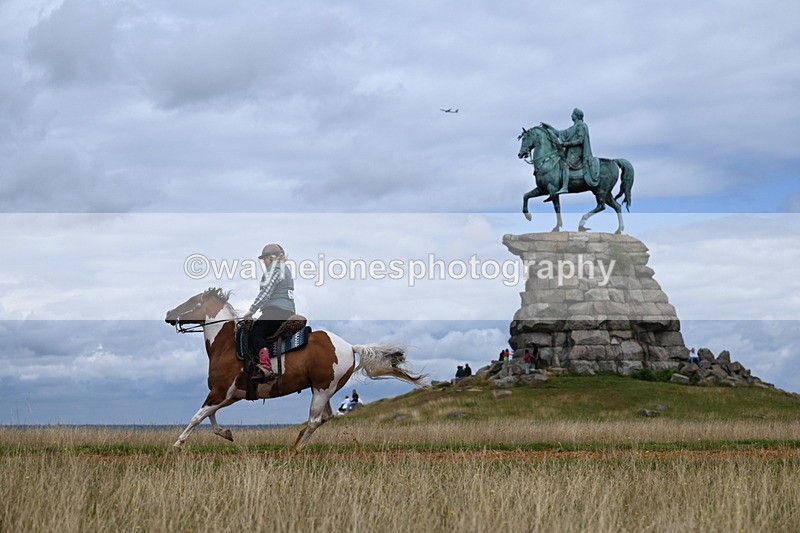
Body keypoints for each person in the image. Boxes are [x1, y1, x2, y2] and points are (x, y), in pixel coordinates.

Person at [243, 243, 296, 379]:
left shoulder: (275, 269)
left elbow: (266, 293)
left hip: (276, 310)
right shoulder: (286, 269)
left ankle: (266, 366)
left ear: (272, 258)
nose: (263, 262)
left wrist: (250, 311)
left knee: (256, 333)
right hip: (288, 310)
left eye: (264, 258)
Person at [546, 108, 598, 201]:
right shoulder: (573, 127)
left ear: (577, 116)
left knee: (565, 165)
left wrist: (566, 144)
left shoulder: (581, 126)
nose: (571, 115)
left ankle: (565, 187)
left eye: (573, 114)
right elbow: (559, 133)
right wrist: (549, 127)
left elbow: (580, 140)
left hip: (577, 153)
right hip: (570, 152)